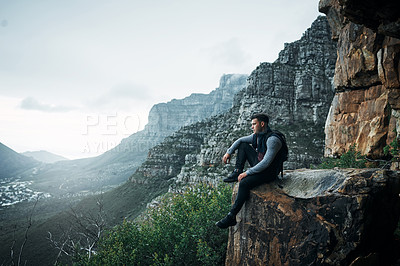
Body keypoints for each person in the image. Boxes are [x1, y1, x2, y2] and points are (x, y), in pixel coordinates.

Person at [216, 113, 283, 229]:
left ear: (262, 124)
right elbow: (240, 140)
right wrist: (229, 152)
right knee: (243, 145)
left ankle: (231, 216)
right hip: (260, 165)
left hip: (269, 172)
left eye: (254, 124)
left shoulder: (273, 140)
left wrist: (248, 172)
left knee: (244, 183)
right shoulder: (258, 136)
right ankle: (237, 171)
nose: (252, 127)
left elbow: (266, 163)